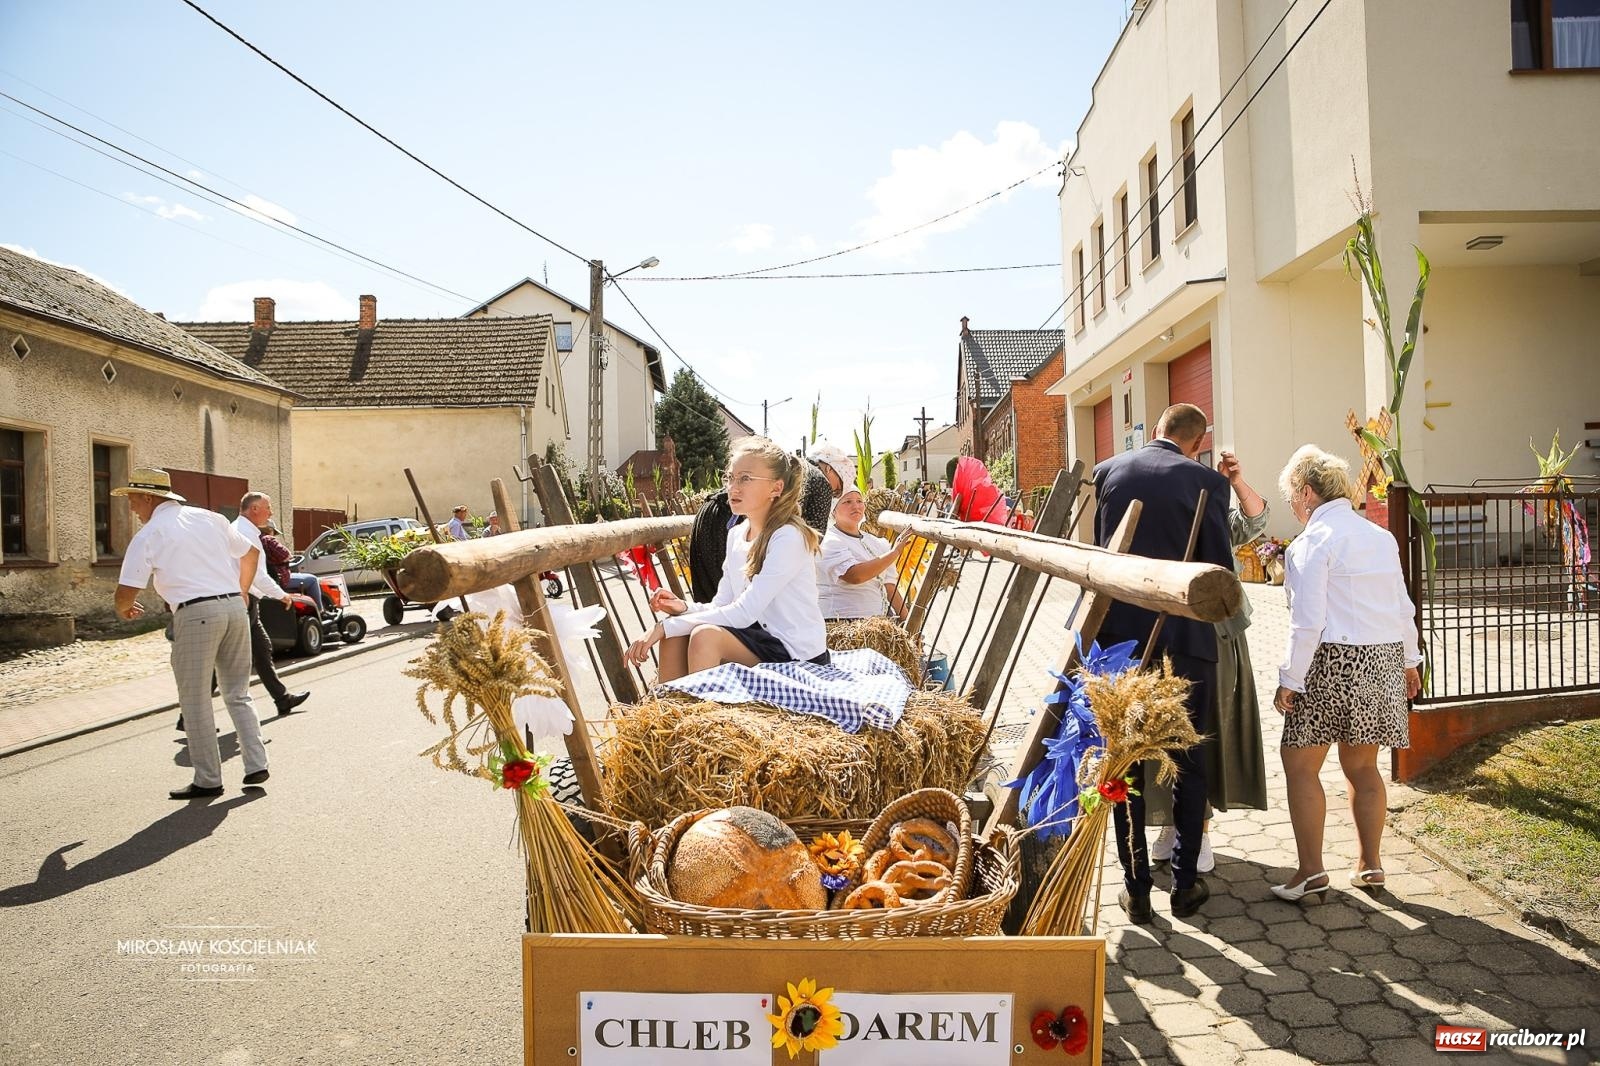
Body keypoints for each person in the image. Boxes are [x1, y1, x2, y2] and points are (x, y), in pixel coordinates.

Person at [1092, 403, 1234, 923]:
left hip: (1121, 644)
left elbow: (1101, 555)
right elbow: (1219, 568)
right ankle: (1185, 881)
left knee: (1126, 760)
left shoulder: (1109, 471)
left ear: (1156, 432)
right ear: (1198, 440)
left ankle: (1135, 888)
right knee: (1189, 760)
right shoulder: (1207, 483)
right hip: (1185, 641)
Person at [1270, 445, 1422, 901]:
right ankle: (1370, 865)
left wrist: (1289, 679)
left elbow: (1307, 622)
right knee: (1362, 766)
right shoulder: (1379, 536)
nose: (1292, 507)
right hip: (1380, 660)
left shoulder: (1311, 544)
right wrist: (1410, 662)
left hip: (1330, 663)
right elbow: (1401, 605)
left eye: (1292, 497)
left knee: (1299, 766)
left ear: (1308, 492)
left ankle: (1311, 871)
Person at [112, 468, 270, 798]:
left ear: (147, 497)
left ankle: (208, 779)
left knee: (195, 699)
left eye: (131, 500)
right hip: (233, 608)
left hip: (196, 613)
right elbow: (251, 553)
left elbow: (126, 590)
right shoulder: (209, 518)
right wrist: (241, 591)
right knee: (238, 692)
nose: (130, 508)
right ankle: (256, 763)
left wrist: (123, 609)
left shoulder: (150, 533)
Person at [1147, 449, 1271, 870]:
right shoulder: (1160, 517)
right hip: (1169, 636)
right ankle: (1172, 824)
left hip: (1216, 634)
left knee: (1206, 730)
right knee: (1169, 731)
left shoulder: (1211, 509)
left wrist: (1234, 481)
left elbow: (1255, 522)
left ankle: (1197, 832)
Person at [626, 436, 827, 681]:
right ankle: (672, 714)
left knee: (704, 636)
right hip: (760, 639)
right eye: (730, 477)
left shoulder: (788, 537)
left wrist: (663, 627)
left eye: (746, 479)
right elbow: (723, 603)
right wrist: (684, 609)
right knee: (676, 635)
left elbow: (744, 612)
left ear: (776, 488)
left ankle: (704, 716)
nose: (733, 487)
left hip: (796, 651)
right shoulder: (736, 535)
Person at [235, 493, 311, 716]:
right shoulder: (244, 532)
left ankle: (282, 699)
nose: (271, 513)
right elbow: (256, 575)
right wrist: (282, 595)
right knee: (221, 658)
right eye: (268, 508)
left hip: (248, 600)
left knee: (262, 648)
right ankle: (187, 715)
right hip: (243, 600)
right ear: (255, 508)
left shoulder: (245, 530)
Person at [817, 486, 910, 621]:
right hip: (841, 622)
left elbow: (889, 586)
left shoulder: (877, 543)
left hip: (876, 623)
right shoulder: (829, 541)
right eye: (847, 502)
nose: (856, 506)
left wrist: (907, 623)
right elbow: (855, 576)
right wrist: (894, 553)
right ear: (833, 511)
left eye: (859, 501)